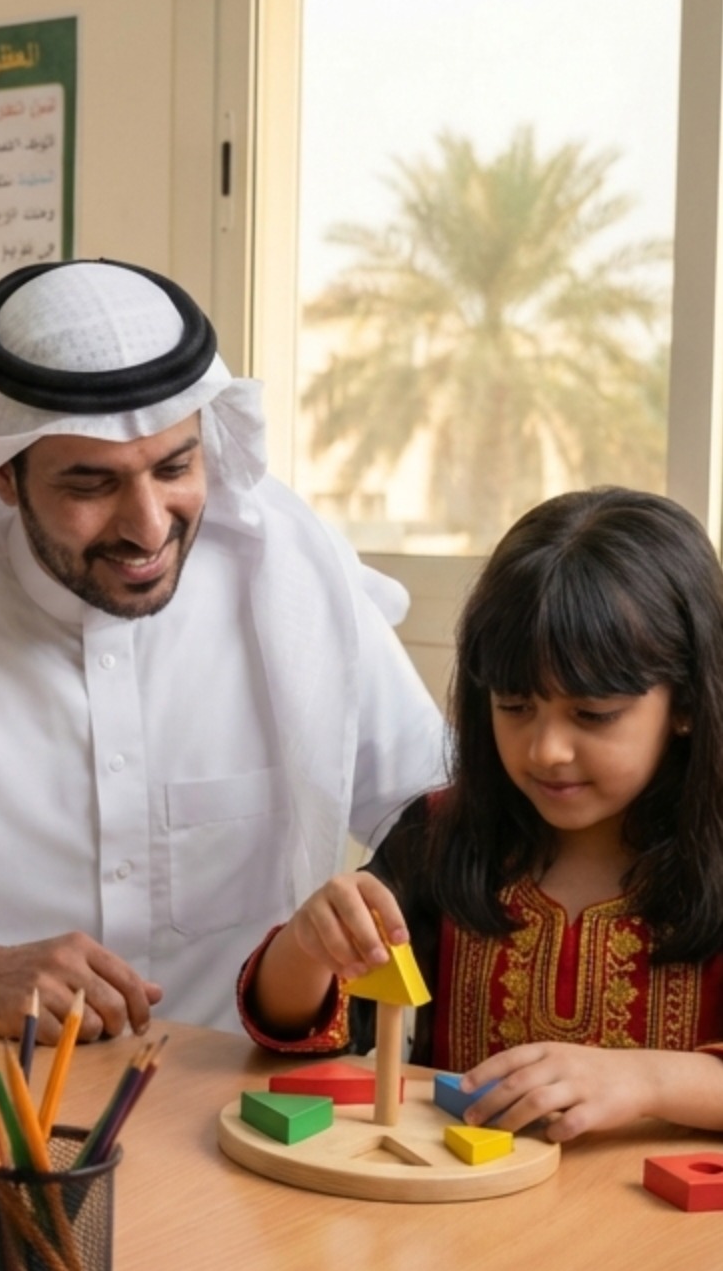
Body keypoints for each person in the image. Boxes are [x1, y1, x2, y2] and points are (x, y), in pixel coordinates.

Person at [0, 258, 445, 1041]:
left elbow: (447, 821)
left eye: (175, 467)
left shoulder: (296, 587)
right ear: (4, 479)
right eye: (91, 485)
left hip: (247, 1110)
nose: (149, 526)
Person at [238, 489, 723, 1140]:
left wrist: (646, 1080)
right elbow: (300, 1032)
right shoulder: (441, 837)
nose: (546, 750)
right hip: (458, 1231)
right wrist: (305, 947)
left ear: (687, 701)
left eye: (593, 715)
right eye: (515, 706)